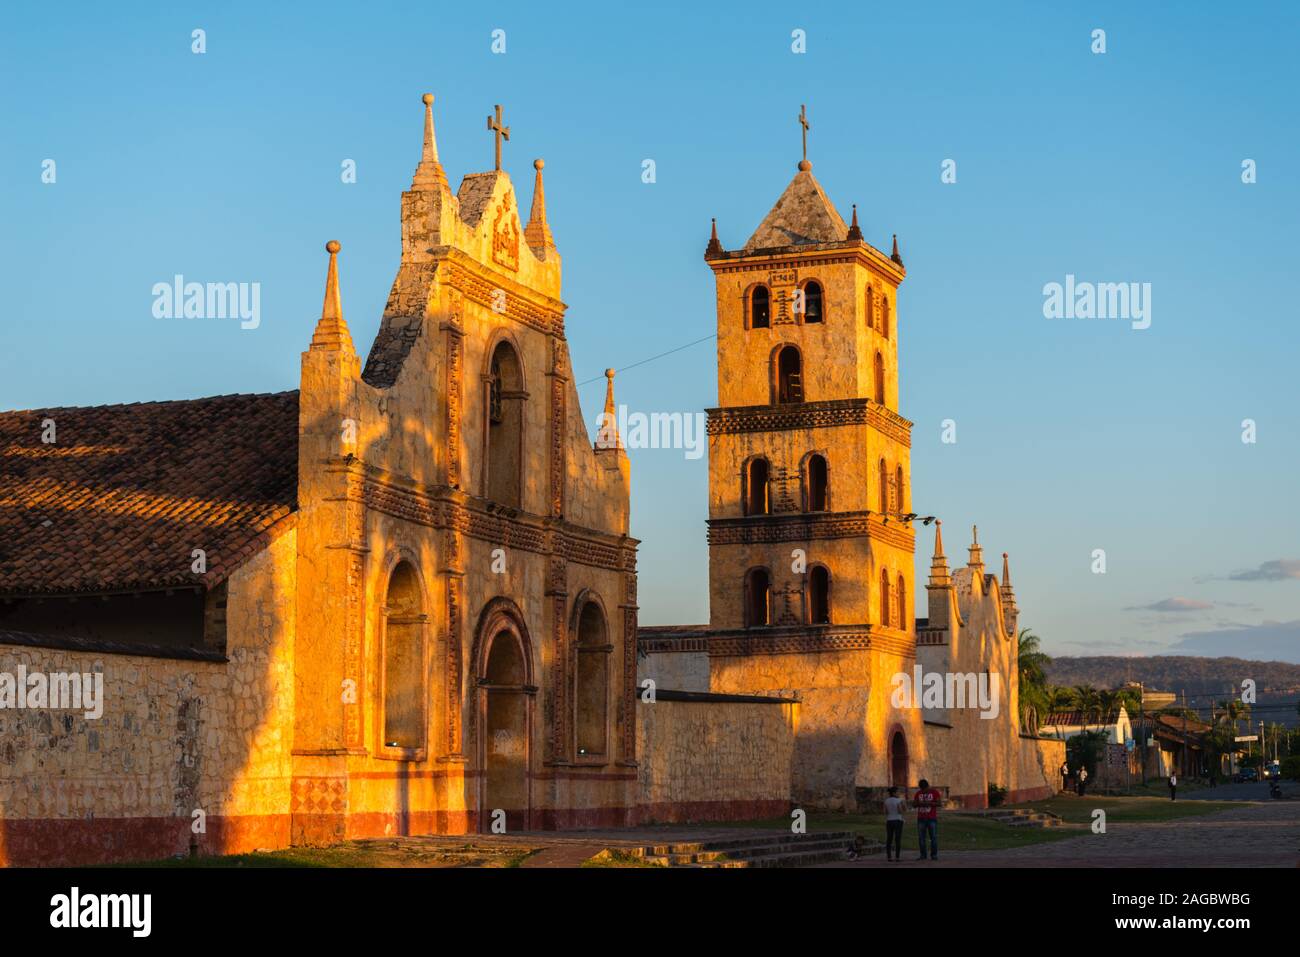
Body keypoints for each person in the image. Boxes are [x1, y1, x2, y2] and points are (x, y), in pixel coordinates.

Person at [913, 778, 941, 861]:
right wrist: (919, 803)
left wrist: (929, 803)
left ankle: (934, 855)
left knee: (933, 837)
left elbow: (939, 803)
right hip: (921, 818)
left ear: (928, 786)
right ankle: (923, 855)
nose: (924, 791)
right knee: (921, 838)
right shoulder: (918, 793)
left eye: (925, 789)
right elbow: (914, 804)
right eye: (922, 789)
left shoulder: (934, 792)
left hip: (931, 818)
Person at [883, 786, 905, 862]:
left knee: (889, 839)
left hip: (889, 820)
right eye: (898, 792)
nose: (899, 793)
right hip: (898, 820)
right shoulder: (898, 800)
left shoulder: (886, 801)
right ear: (894, 793)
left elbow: (885, 812)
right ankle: (897, 857)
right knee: (897, 839)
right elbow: (900, 811)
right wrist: (903, 806)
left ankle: (889, 856)